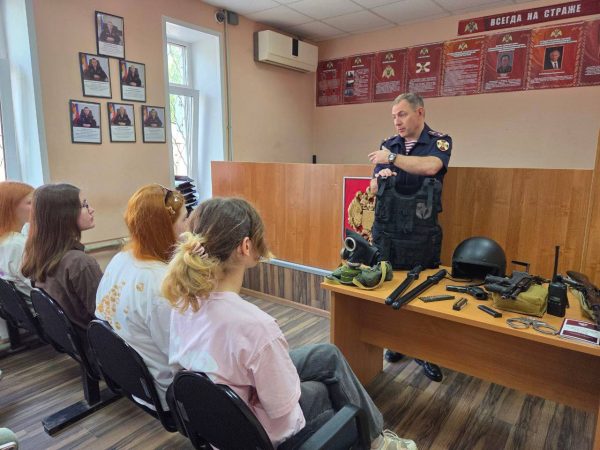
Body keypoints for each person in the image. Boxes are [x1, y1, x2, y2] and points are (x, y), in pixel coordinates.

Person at [162, 198, 417, 450]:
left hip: (221, 421)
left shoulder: (183, 303)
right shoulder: (257, 327)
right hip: (264, 435)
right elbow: (284, 412)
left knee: (327, 355)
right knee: (327, 388)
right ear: (246, 246)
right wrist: (282, 381)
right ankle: (376, 442)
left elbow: (182, 369)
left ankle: (378, 439)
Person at [367, 92, 452, 383]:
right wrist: (377, 181)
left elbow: (431, 167)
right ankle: (396, 343)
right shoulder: (388, 143)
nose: (397, 121)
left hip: (421, 231)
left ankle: (425, 352)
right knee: (389, 286)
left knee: (422, 292)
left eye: (402, 114)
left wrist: (392, 160)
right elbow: (374, 185)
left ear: (420, 113)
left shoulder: (439, 141)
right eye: (394, 116)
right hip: (389, 229)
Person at [95, 184, 187, 410]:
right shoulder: (161, 283)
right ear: (164, 228)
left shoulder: (120, 259)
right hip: (166, 391)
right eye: (184, 219)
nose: (189, 226)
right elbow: (181, 353)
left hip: (132, 380)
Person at [21, 184, 102, 345]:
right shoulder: (80, 263)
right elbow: (105, 315)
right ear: (64, 215)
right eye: (84, 205)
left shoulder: (39, 254)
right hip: (97, 345)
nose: (91, 209)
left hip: (77, 342)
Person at [0, 181, 34, 298]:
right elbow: (40, 287)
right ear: (10, 208)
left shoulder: (6, 240)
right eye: (30, 202)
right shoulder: (17, 245)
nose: (37, 206)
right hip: (36, 307)